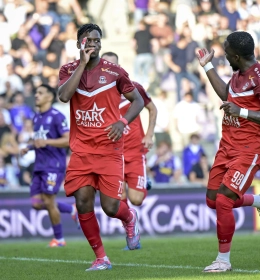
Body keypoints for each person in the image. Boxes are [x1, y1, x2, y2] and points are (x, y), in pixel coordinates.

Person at [57, 24, 145, 271]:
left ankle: (129, 217)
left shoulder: (115, 72)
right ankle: (101, 258)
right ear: (79, 44)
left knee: (110, 207)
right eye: (88, 40)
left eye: (97, 40)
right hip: (82, 150)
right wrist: (82, 65)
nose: (93, 44)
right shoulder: (68, 70)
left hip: (109, 149)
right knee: (83, 202)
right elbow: (64, 96)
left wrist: (123, 121)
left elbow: (137, 100)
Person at [196, 31, 260, 272]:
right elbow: (228, 96)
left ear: (235, 55)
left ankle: (223, 261)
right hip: (228, 144)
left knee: (224, 200)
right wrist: (208, 67)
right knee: (212, 201)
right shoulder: (238, 73)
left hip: (250, 148)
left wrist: (242, 112)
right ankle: (259, 201)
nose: (223, 55)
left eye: (225, 52)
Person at [101, 51, 158, 250]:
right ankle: (131, 232)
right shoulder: (98, 94)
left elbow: (153, 109)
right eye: (106, 65)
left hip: (134, 152)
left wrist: (149, 134)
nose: (109, 69)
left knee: (137, 199)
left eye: (113, 65)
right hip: (113, 155)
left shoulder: (134, 88)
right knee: (118, 202)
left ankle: (144, 182)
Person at [20, 84, 79, 247]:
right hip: (39, 165)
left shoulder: (57, 116)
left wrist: (45, 142)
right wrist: (29, 147)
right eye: (36, 92)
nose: (36, 95)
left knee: (49, 200)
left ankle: (59, 239)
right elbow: (40, 140)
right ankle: (72, 210)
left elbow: (68, 140)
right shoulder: (36, 118)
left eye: (40, 93)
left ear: (50, 97)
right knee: (37, 203)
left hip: (54, 164)